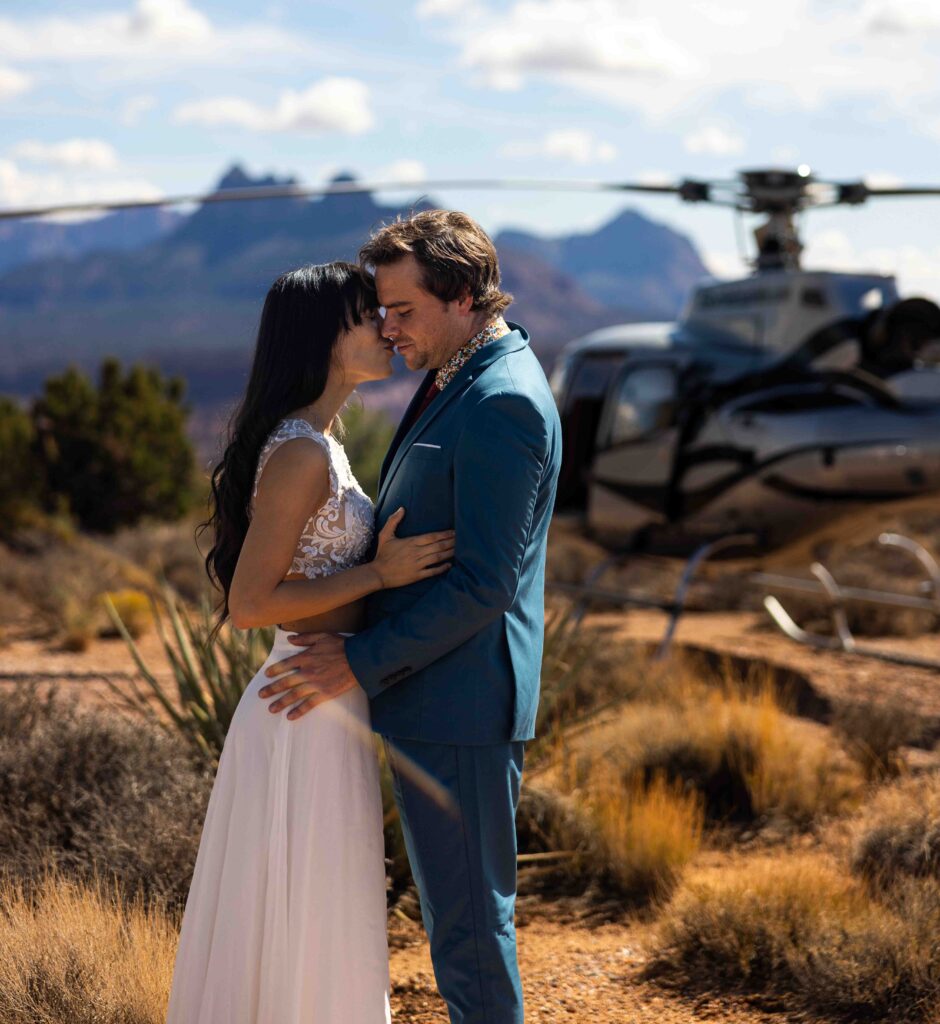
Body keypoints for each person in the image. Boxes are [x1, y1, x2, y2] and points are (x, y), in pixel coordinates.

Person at [258, 211, 563, 1024]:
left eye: (401, 310)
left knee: (468, 928)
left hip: (459, 701)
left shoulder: (502, 401)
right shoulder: (455, 371)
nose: (387, 328)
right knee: (455, 919)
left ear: (462, 295)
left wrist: (359, 662)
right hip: (427, 693)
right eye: (380, 312)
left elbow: (483, 586)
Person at [164, 261, 455, 1024]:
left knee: (318, 899)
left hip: (326, 693)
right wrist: (381, 575)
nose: (389, 330)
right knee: (305, 899)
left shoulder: (323, 441)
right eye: (371, 318)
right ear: (326, 338)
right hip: (301, 701)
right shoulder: (299, 453)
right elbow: (252, 602)